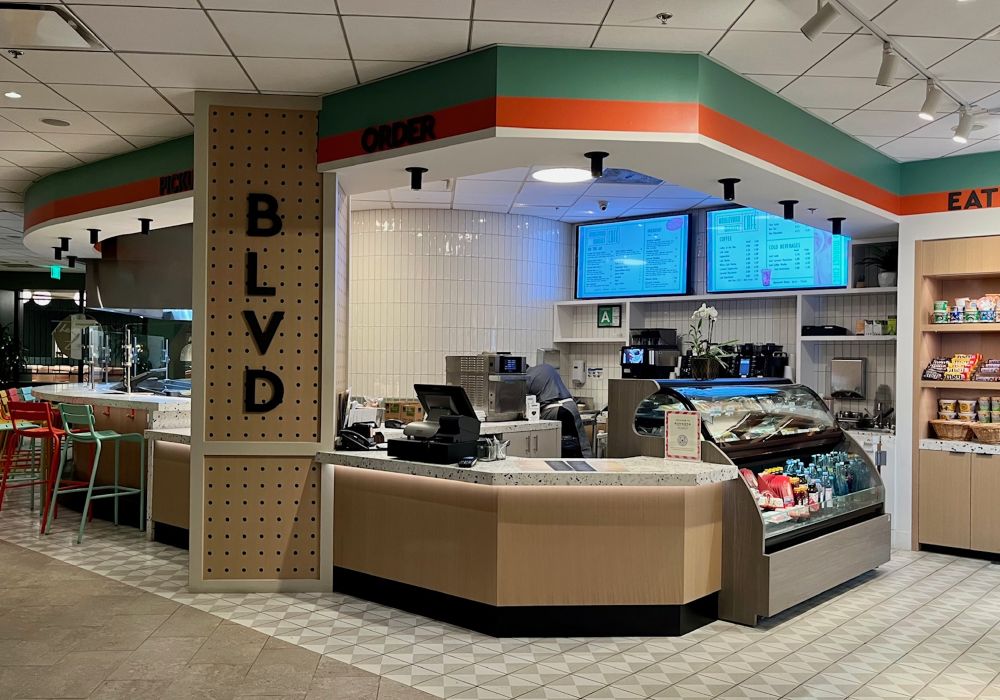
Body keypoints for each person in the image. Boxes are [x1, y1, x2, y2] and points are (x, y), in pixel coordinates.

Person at [525, 363, 592, 458]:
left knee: (565, 448)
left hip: (554, 410)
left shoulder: (526, 377)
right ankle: (588, 469)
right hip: (571, 405)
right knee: (581, 444)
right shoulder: (546, 367)